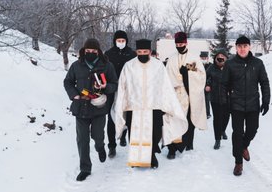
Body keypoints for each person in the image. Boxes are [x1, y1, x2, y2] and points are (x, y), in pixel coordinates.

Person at [111, 39, 188, 169]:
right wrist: (122, 103)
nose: (142, 54)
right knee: (134, 134)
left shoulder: (158, 65)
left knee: (154, 134)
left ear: (149, 52)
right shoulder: (129, 66)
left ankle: (151, 156)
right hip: (134, 107)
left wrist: (167, 104)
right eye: (139, 52)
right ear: (136, 52)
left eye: (145, 51)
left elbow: (165, 86)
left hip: (154, 106)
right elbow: (123, 86)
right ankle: (135, 159)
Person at [64, 38, 118, 181]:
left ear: (98, 51)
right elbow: (68, 82)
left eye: (94, 51)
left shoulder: (107, 66)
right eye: (88, 51)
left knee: (98, 136)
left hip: (99, 108)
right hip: (81, 108)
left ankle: (100, 147)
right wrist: (74, 94)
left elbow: (115, 84)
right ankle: (85, 168)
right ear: (84, 51)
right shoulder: (76, 65)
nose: (90, 53)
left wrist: (105, 87)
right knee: (82, 140)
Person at [222, 36, 270, 176]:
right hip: (236, 105)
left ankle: (243, 147)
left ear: (249, 47)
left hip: (253, 104)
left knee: (252, 129)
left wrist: (266, 101)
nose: (242, 49)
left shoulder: (258, 63)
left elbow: (264, 83)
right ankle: (238, 163)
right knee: (237, 134)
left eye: (245, 46)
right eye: (239, 46)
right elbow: (224, 85)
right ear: (236, 48)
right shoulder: (230, 64)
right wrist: (226, 103)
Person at [165, 32, 207, 159]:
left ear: (186, 43)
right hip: (175, 95)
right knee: (173, 121)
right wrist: (177, 82)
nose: (180, 46)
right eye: (177, 44)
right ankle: (172, 148)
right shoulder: (171, 59)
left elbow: (201, 74)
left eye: (182, 43)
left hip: (190, 95)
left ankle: (188, 143)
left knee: (189, 120)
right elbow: (166, 78)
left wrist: (187, 71)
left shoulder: (193, 58)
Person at [104, 30, 137, 158]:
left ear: (126, 41)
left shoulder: (132, 54)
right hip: (112, 90)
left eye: (123, 41)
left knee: (128, 116)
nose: (121, 42)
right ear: (115, 41)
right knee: (111, 117)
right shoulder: (108, 54)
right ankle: (112, 146)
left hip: (128, 91)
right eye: (119, 40)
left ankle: (124, 137)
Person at [205, 49, 230, 150]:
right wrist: (207, 84)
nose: (220, 58)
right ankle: (217, 140)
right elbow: (205, 78)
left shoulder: (229, 67)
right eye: (218, 56)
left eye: (222, 56)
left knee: (226, 117)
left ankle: (223, 130)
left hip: (228, 97)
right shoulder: (211, 68)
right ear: (215, 58)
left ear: (226, 57)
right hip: (215, 97)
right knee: (217, 119)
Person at [200, 51, 212, 119]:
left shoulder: (211, 65)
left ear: (207, 58)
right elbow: (188, 68)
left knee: (206, 100)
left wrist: (208, 84)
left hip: (207, 86)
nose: (203, 59)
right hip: (198, 85)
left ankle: (207, 113)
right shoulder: (197, 64)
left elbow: (212, 76)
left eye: (205, 57)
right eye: (202, 57)